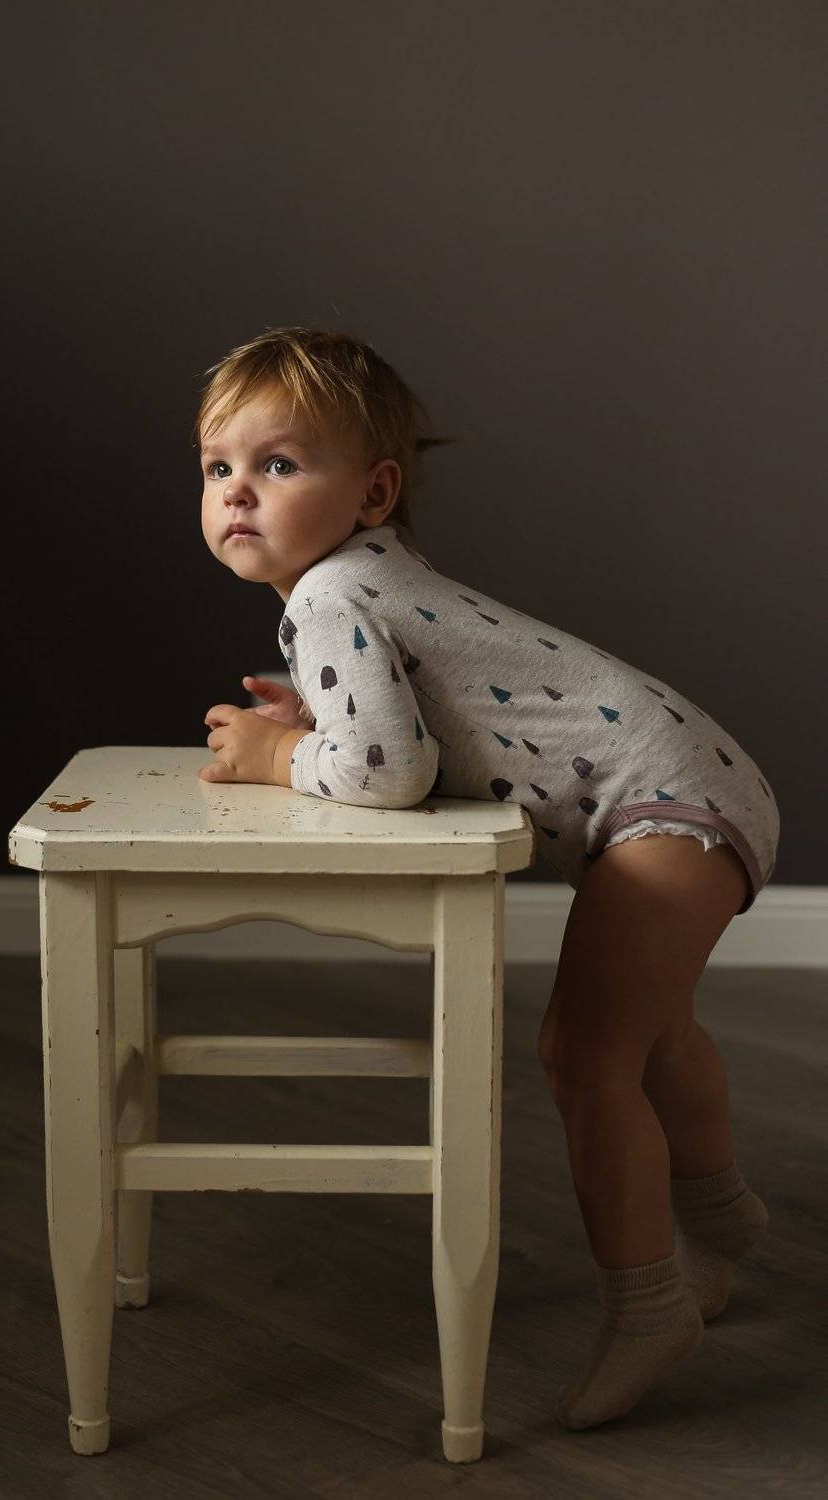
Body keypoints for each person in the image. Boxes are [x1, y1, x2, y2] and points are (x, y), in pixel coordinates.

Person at [194, 325, 777, 1431]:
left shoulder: (327, 597)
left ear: (373, 492)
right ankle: (720, 1222)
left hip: (662, 809)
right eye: (218, 467)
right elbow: (435, 701)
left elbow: (390, 770)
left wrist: (279, 757)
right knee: (658, 1034)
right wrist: (318, 713)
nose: (236, 493)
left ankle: (649, 1307)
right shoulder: (367, 578)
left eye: (278, 464)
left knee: (583, 1057)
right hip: (695, 778)